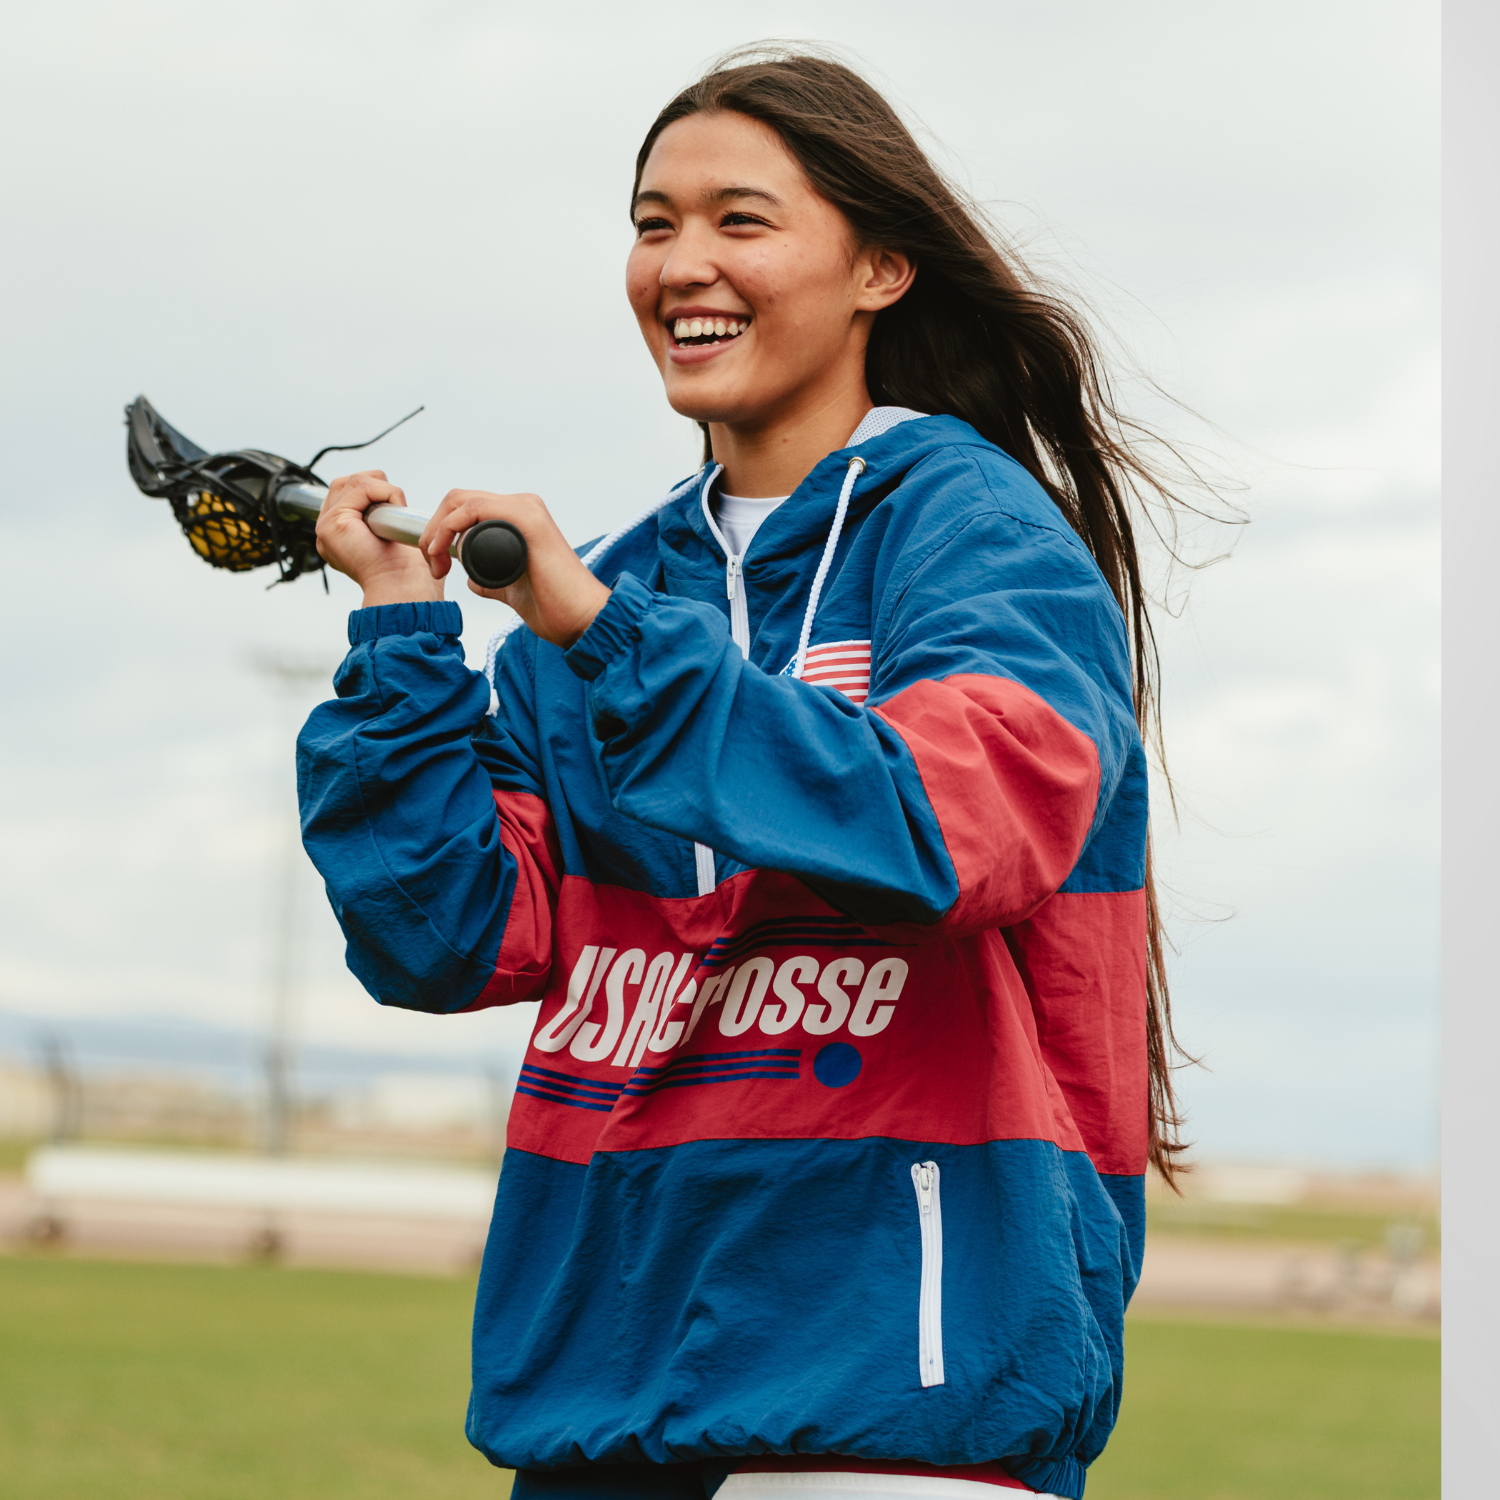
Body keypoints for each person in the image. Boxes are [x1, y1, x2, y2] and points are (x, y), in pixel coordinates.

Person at [299, 47, 1189, 1500]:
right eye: (654, 223)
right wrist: (405, 633)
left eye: (741, 219)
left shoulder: (975, 535)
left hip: (899, 1414)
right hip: (606, 1402)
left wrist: (598, 632)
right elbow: (448, 936)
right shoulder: (608, 597)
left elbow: (949, 833)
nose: (682, 264)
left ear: (881, 269)